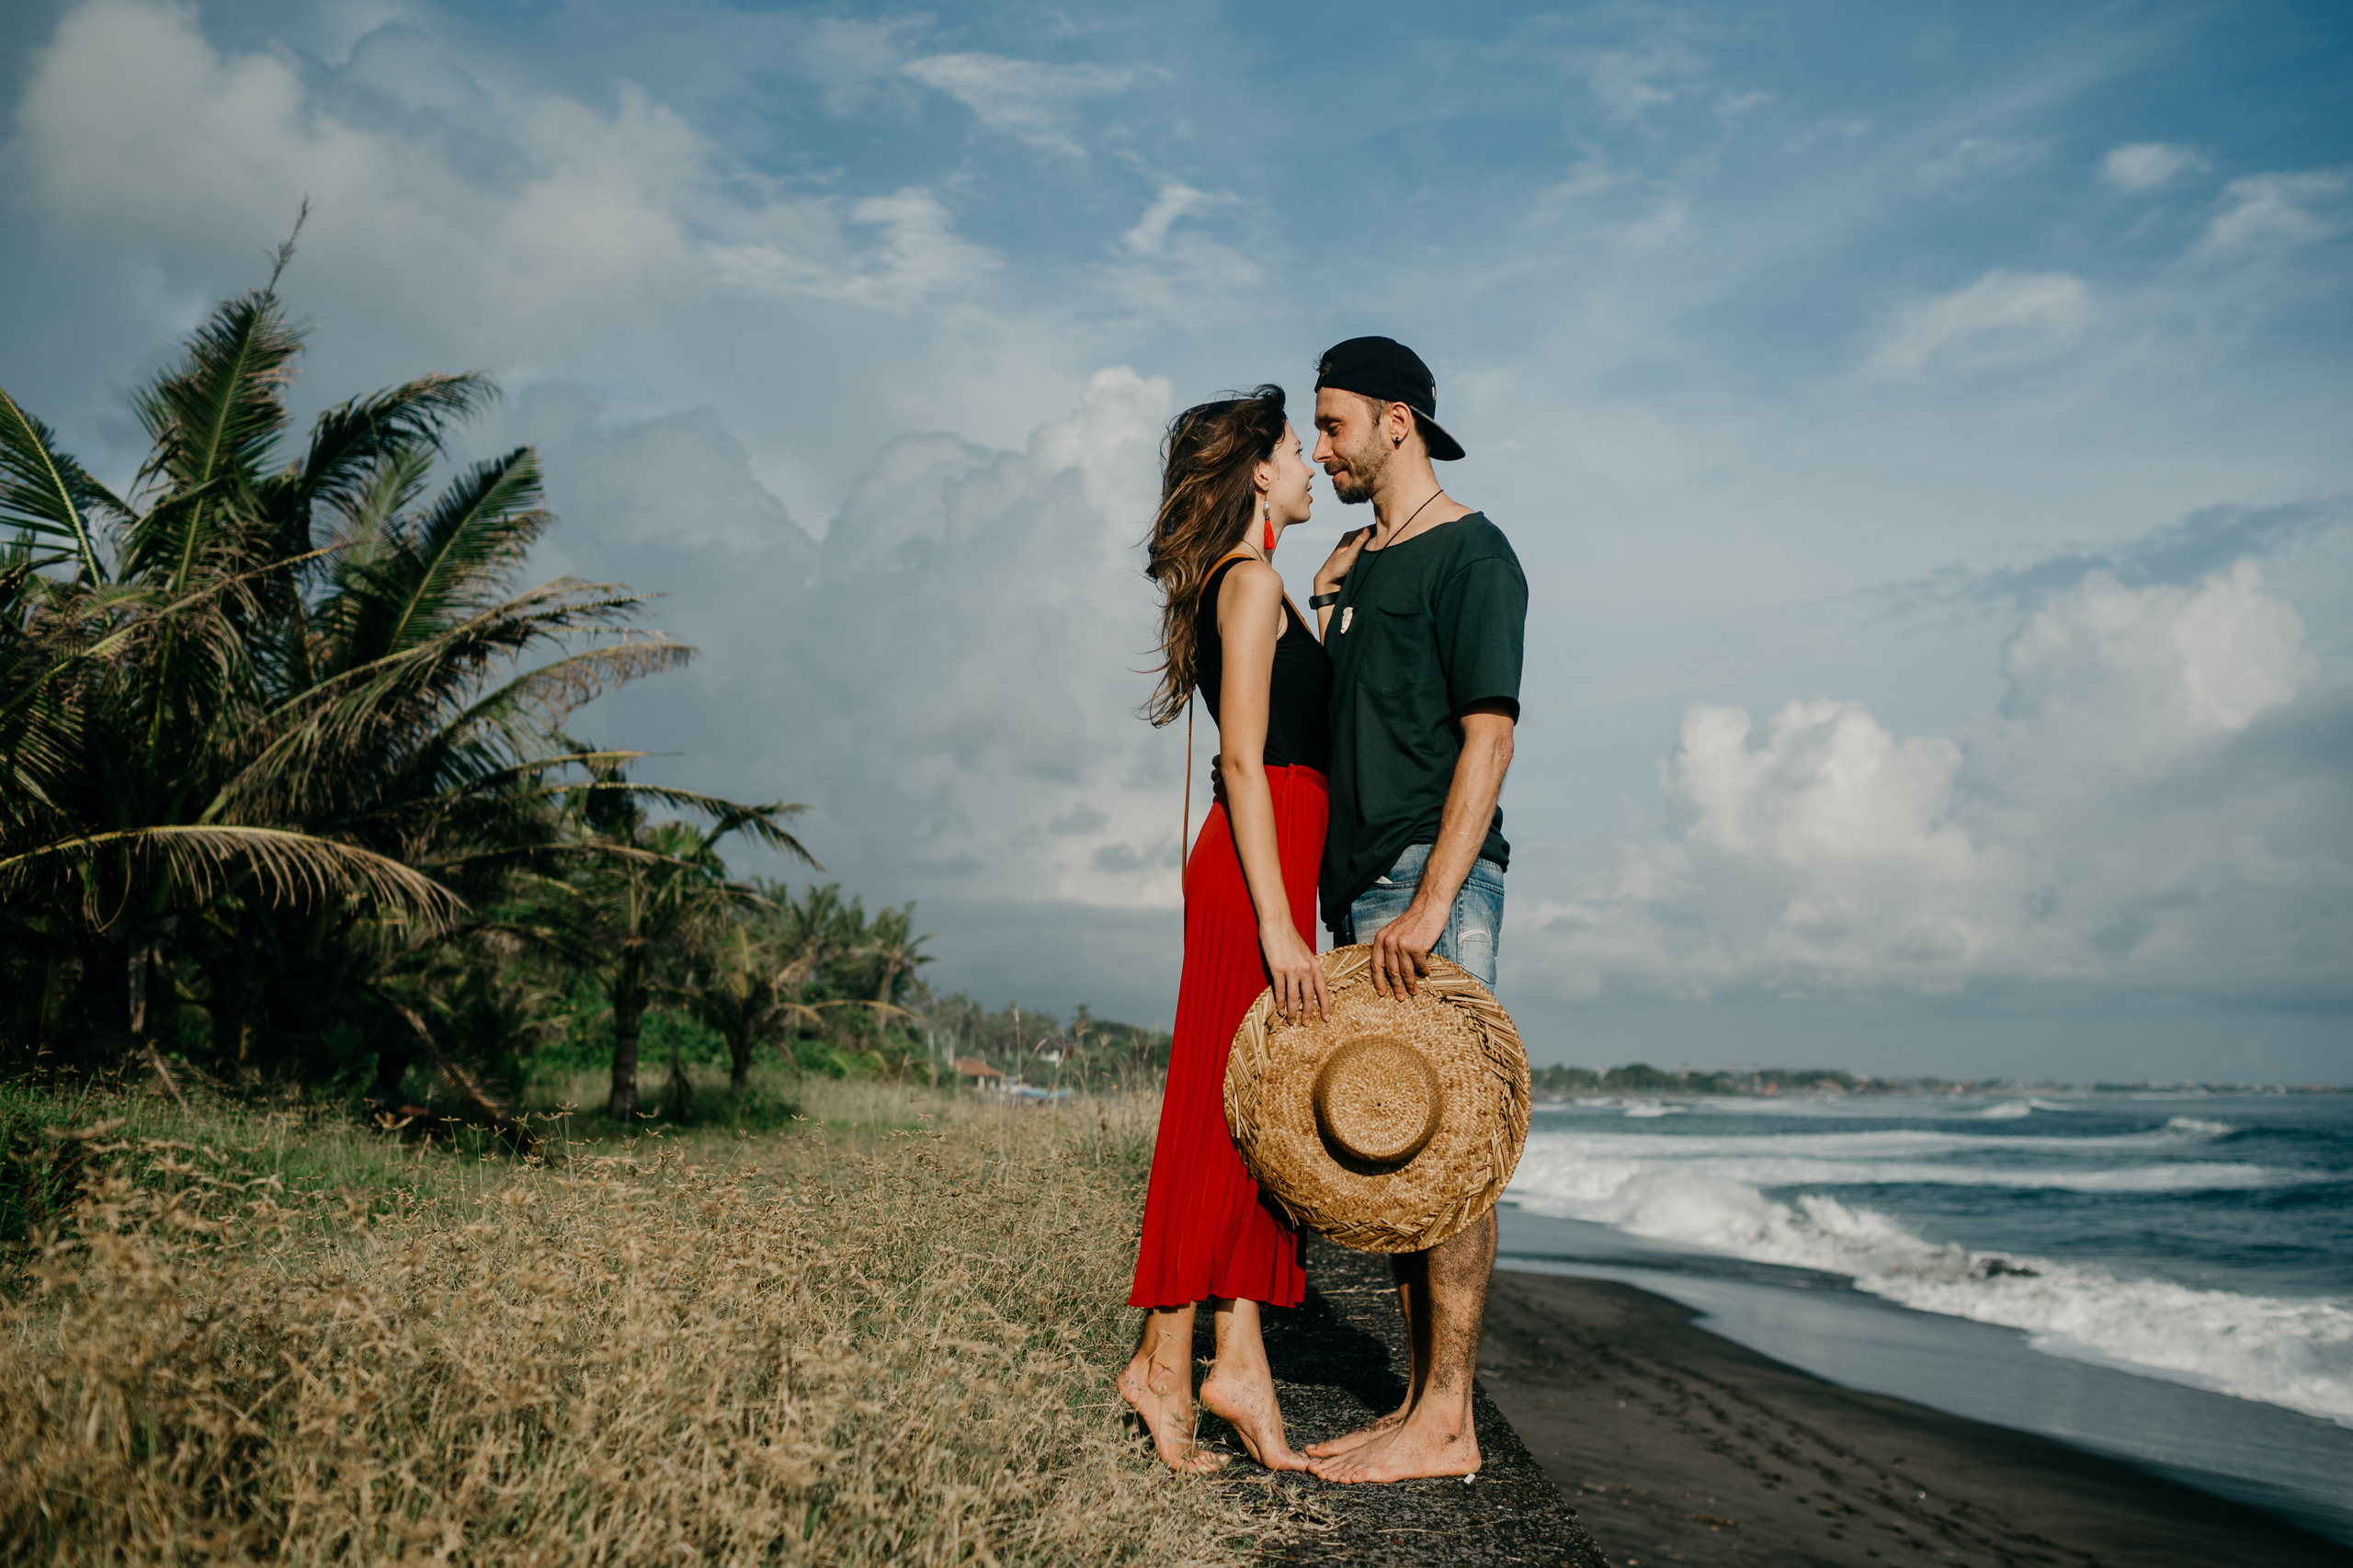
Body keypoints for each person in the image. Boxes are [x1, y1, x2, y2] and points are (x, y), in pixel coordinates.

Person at [1302, 335, 1527, 1484]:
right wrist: (1330, 597)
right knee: (1396, 1157)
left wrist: (1433, 901)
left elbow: (1487, 731)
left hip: (1426, 886)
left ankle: (1448, 1420)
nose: (1317, 445)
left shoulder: (1473, 553)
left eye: (1332, 423)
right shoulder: (1359, 561)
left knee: (1454, 1148)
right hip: (1362, 890)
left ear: (1398, 420)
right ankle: (1418, 1405)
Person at [1120, 384, 1333, 1474]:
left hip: (1274, 862)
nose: (1308, 467)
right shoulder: (1246, 585)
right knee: (1218, 1112)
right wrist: (1278, 927)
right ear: (1258, 471)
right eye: (1297, 449)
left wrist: (1329, 599)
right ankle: (1164, 1362)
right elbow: (1246, 760)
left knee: (1251, 1115)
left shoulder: (1270, 586)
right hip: (1255, 873)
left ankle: (1224, 1358)